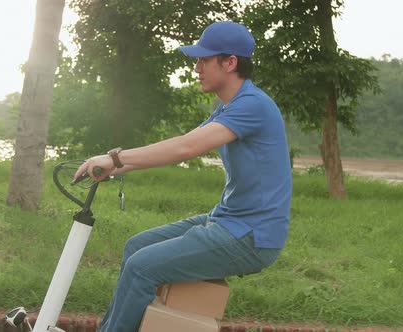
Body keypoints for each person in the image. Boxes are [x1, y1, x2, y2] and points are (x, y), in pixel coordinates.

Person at [73, 21, 292, 332]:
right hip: (229, 220)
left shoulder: (253, 106)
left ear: (230, 63)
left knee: (140, 268)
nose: (197, 67)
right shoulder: (230, 107)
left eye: (204, 59)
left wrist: (114, 158)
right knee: (136, 247)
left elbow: (186, 148)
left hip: (253, 236)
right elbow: (179, 143)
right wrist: (112, 166)